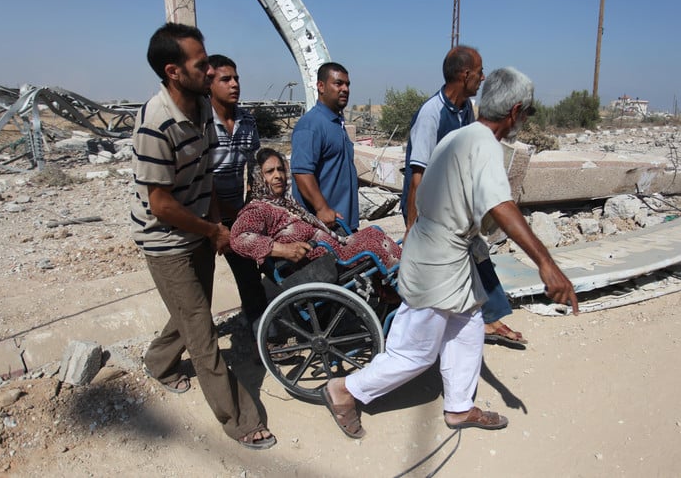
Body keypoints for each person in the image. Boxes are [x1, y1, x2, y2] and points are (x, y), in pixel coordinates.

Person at [321, 67, 579, 439]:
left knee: (468, 325)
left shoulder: (461, 137)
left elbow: (423, 187)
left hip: (445, 253)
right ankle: (345, 390)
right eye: (528, 114)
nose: (525, 120)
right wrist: (547, 265)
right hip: (438, 260)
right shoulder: (485, 145)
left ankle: (459, 406)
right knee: (416, 350)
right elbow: (502, 207)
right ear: (515, 111)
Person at [130, 23, 275, 450]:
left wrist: (216, 228)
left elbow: (206, 175)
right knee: (201, 329)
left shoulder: (199, 111)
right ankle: (240, 418)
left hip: (198, 229)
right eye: (202, 65)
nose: (211, 71)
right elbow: (160, 204)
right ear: (174, 71)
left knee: (190, 309)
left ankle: (157, 362)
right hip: (165, 241)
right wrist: (212, 228)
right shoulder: (155, 123)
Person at [401, 45, 526, 348]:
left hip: (454, 210)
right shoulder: (432, 114)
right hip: (430, 214)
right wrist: (411, 230)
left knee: (478, 254)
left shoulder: (466, 111)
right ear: (464, 74)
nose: (483, 78)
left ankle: (487, 318)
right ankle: (472, 322)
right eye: (479, 72)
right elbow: (416, 177)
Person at [230, 148, 401, 271]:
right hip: (322, 263)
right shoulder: (258, 209)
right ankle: (409, 289)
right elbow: (238, 238)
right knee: (374, 245)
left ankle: (397, 287)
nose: (278, 175)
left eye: (280, 169)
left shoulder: (285, 202)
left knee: (374, 232)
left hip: (333, 252)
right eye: (269, 172)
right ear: (258, 177)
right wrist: (283, 250)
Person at [207, 54, 266, 330]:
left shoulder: (247, 121)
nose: (234, 84)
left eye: (236, 78)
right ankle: (165, 353)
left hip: (234, 212)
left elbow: (254, 168)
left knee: (248, 273)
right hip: (202, 214)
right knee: (197, 287)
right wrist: (218, 224)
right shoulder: (199, 122)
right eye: (225, 79)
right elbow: (201, 178)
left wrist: (253, 206)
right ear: (209, 84)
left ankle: (262, 333)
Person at [290, 62, 359, 232]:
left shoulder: (337, 124)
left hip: (344, 224)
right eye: (338, 83)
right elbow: (301, 172)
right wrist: (322, 208)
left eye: (347, 84)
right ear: (321, 86)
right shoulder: (311, 125)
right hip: (323, 226)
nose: (345, 89)